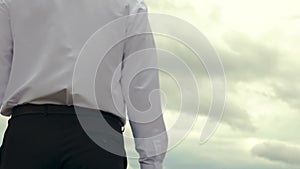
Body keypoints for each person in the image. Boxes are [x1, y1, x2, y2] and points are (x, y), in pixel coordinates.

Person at [0, 0, 168, 169]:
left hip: (29, 134)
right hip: (98, 140)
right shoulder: (129, 4)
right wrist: (152, 162)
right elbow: (140, 86)